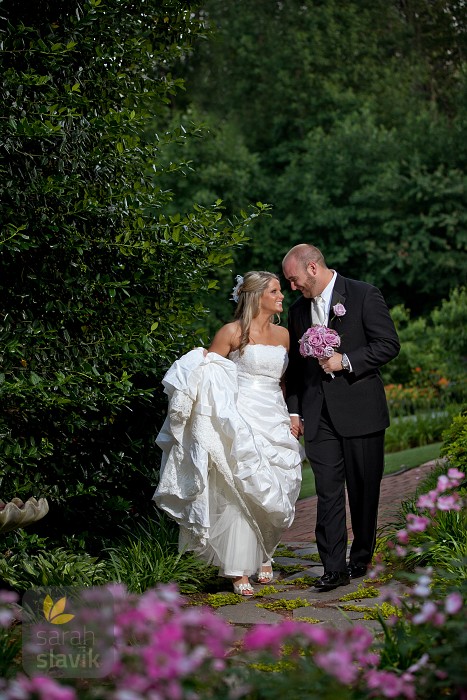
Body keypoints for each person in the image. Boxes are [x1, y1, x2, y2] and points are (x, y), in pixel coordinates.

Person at [153, 271, 303, 596]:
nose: (281, 296)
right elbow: (209, 375)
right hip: (242, 416)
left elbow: (287, 382)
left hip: (275, 417)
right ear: (257, 296)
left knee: (279, 483)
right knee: (242, 487)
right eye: (275, 291)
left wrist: (293, 414)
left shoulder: (284, 335)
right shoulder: (231, 332)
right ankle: (237, 570)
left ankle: (264, 553)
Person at [282, 244, 400, 592]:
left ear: (314, 268)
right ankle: (333, 567)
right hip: (319, 416)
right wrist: (295, 409)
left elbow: (388, 344)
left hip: (361, 410)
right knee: (328, 492)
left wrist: (345, 360)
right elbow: (296, 369)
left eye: (294, 279)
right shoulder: (298, 311)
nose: (292, 287)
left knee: (364, 489)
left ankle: (361, 554)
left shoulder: (363, 294)